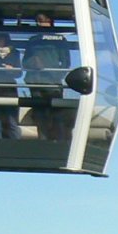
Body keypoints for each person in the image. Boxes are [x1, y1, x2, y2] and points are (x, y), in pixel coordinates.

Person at [26, 11, 73, 141]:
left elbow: (65, 63)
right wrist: (33, 62)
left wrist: (57, 75)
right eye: (38, 22)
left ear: (50, 22)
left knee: (56, 114)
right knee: (40, 116)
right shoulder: (33, 41)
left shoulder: (60, 40)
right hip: (35, 82)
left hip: (53, 83)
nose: (40, 24)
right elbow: (25, 62)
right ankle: (43, 140)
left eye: (42, 21)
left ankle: (58, 141)